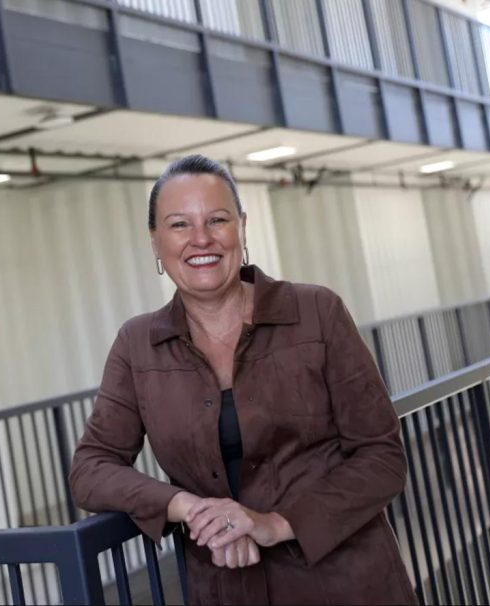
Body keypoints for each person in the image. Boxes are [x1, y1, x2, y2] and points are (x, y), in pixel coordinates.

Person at [69, 155, 417, 605]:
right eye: (179, 225)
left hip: (346, 583)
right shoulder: (138, 344)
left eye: (217, 219)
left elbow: (382, 457)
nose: (201, 239)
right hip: (225, 588)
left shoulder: (316, 313)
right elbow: (91, 469)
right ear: (155, 241)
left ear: (242, 227)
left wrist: (275, 523)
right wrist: (189, 508)